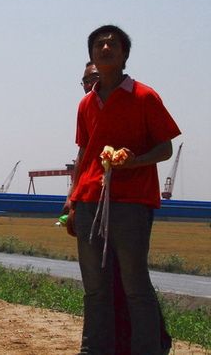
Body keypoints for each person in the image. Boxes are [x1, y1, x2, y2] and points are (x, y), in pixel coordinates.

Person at [65, 25, 180, 355]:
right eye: (99, 44)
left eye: (113, 43)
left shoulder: (144, 96)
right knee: (95, 288)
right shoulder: (86, 104)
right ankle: (93, 350)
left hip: (131, 202)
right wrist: (73, 200)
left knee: (134, 284)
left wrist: (135, 161)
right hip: (89, 200)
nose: (105, 47)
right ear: (91, 56)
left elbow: (165, 148)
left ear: (124, 54)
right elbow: (84, 152)